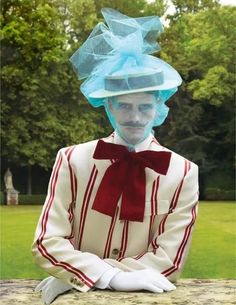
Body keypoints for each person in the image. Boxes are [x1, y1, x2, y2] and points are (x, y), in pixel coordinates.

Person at [32, 8, 199, 305]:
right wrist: (111, 277)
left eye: (145, 106)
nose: (134, 117)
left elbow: (170, 260)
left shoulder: (183, 171)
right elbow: (47, 242)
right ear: (108, 106)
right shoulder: (71, 160)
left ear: (159, 106)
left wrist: (86, 274)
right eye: (124, 105)